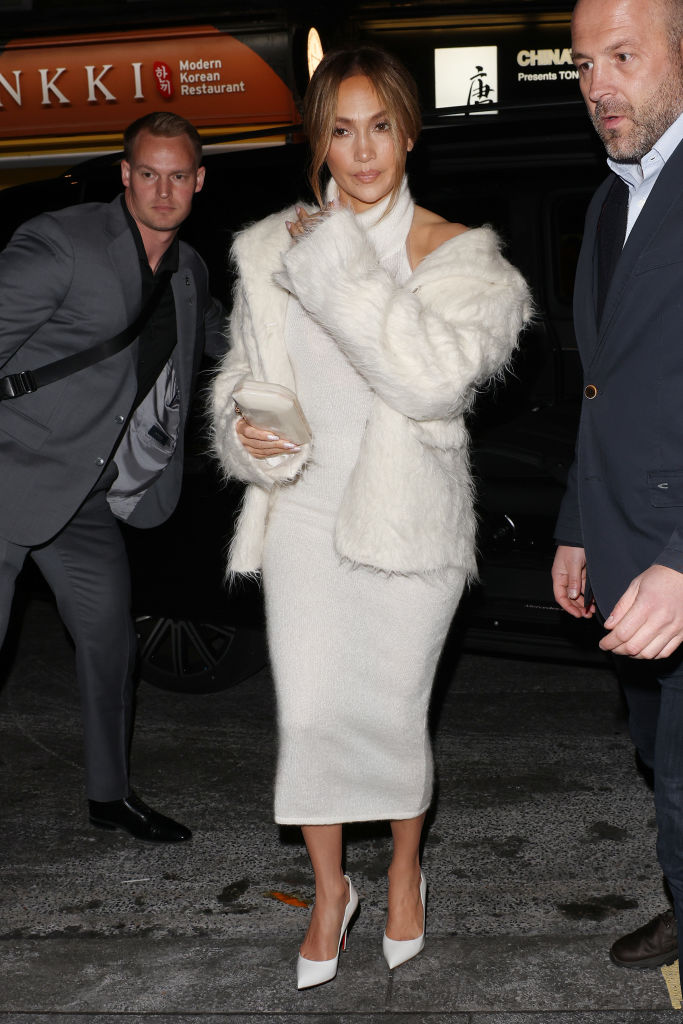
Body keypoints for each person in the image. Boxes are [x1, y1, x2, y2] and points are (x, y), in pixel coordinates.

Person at [212, 46, 530, 988]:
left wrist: (338, 258)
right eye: (341, 131)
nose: (361, 152)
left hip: (410, 527)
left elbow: (428, 383)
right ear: (317, 141)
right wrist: (246, 430)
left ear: (409, 134)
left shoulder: (462, 257)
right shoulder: (267, 247)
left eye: (380, 127)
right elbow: (241, 374)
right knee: (310, 715)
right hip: (304, 513)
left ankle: (401, 869)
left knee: (391, 714)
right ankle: (328, 892)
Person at [0, 111, 226, 842]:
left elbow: (228, 339)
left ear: (198, 181)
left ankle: (109, 795)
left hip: (86, 495)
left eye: (178, 176)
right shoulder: (61, 243)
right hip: (8, 476)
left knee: (111, 648)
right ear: (125, 175)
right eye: (148, 174)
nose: (163, 191)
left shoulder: (188, 272)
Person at [552, 0, 683, 978]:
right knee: (659, 762)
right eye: (582, 62)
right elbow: (600, 387)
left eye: (622, 56)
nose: (597, 84)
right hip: (625, 550)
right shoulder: (609, 201)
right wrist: (576, 524)